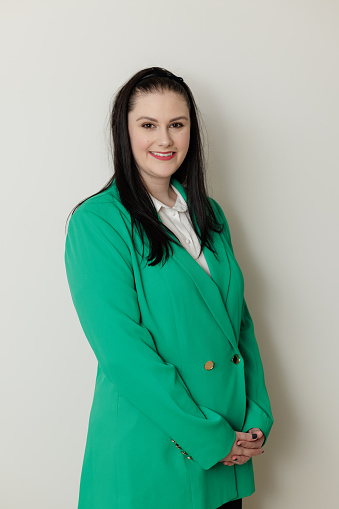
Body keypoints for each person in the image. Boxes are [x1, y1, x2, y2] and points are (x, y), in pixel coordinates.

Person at [64, 66, 273, 509]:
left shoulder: (210, 215)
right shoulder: (97, 223)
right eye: (148, 125)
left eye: (177, 125)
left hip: (227, 451)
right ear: (125, 132)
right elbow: (124, 353)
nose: (165, 139)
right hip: (151, 453)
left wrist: (257, 415)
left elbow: (239, 326)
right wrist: (210, 436)